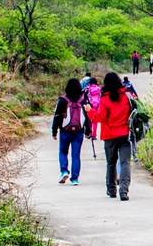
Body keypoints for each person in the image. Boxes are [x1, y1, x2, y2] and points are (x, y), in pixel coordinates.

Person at [89, 72, 133, 200]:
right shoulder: (126, 96)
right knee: (125, 163)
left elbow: (100, 117)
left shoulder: (105, 99)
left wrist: (89, 111)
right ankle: (124, 191)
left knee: (111, 163)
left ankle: (112, 190)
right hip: (124, 134)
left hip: (109, 136)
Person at [52, 77, 88, 186]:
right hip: (79, 131)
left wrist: (54, 131)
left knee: (63, 152)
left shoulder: (63, 100)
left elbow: (57, 117)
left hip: (65, 131)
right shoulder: (83, 100)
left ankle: (64, 171)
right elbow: (87, 116)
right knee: (76, 155)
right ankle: (75, 178)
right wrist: (88, 131)